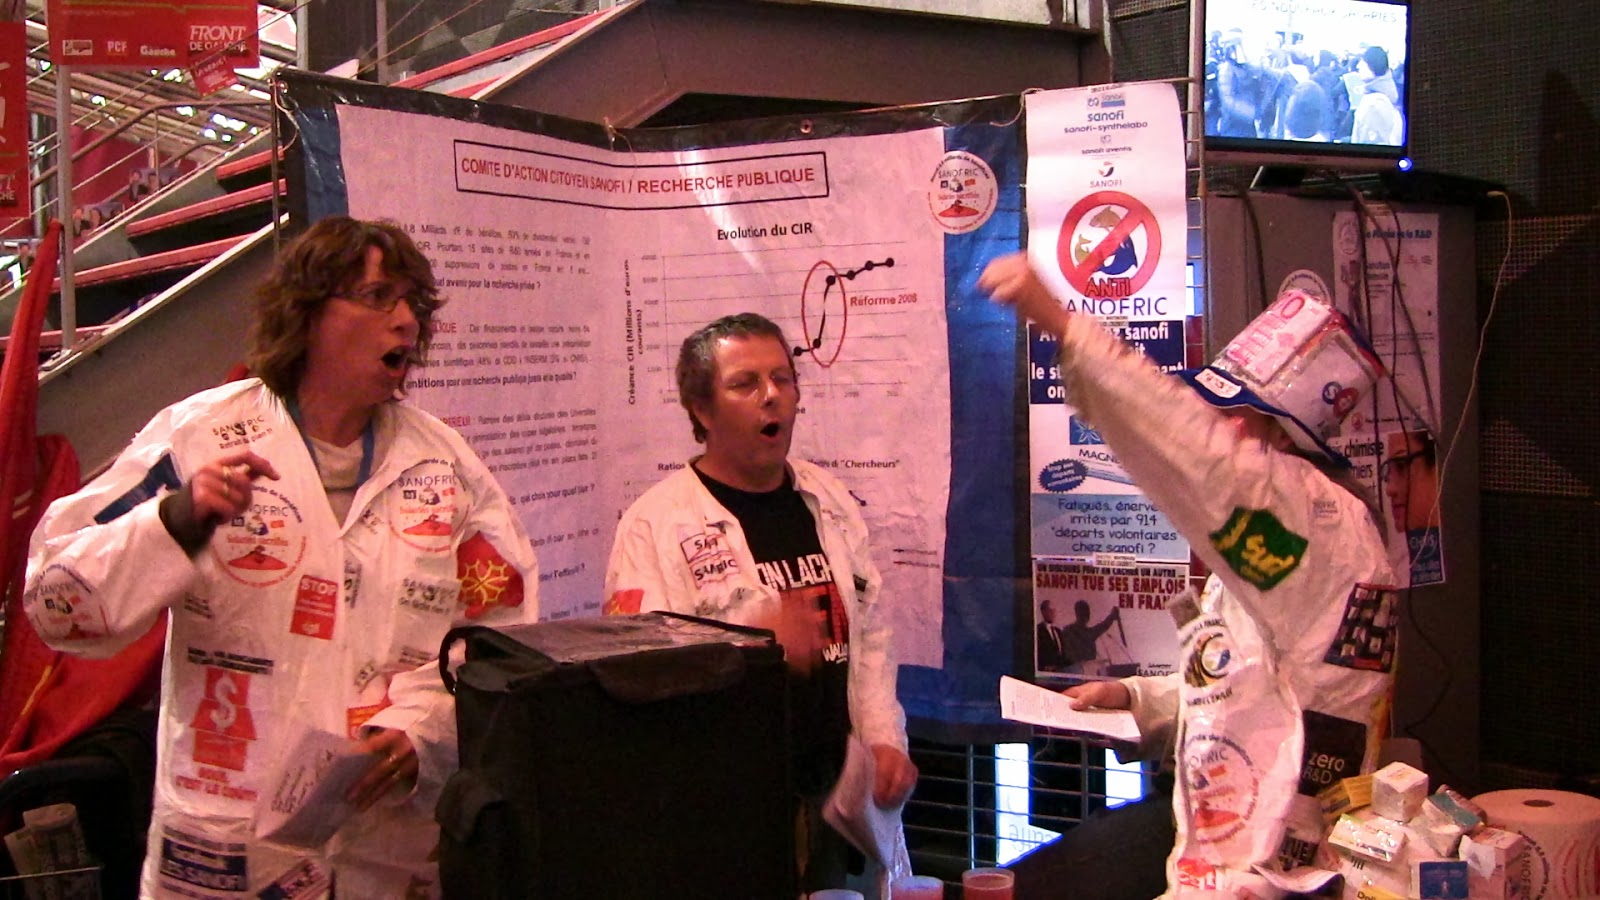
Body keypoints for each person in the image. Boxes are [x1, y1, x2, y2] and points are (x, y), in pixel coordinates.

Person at [24, 216, 540, 899]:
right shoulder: (201, 436)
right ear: (308, 313)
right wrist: (172, 522)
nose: (407, 321)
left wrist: (422, 728)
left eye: (414, 302)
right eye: (378, 296)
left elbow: (502, 632)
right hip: (226, 852)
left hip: (387, 848)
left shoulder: (445, 466)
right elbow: (57, 603)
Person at [981, 255, 1397, 898]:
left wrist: (1062, 324)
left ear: (1287, 436)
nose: (1221, 428)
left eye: (1237, 414)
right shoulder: (1297, 535)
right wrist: (1136, 699)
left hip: (1272, 852)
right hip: (1235, 816)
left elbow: (1193, 450)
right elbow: (1253, 688)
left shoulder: (1310, 522)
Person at [602, 312, 917, 892]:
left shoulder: (826, 498)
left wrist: (883, 739)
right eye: (745, 383)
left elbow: (871, 634)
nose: (771, 396)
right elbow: (636, 680)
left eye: (782, 379)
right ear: (702, 410)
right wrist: (753, 648)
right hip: (728, 816)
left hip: (837, 801)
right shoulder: (655, 524)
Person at [1058, 599, 1121, 672]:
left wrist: (1112, 616)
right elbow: (1067, 654)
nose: (1086, 615)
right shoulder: (1069, 631)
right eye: (1083, 612)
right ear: (1077, 613)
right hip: (1074, 672)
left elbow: (1103, 626)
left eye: (1087, 612)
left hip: (1089, 671)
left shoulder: (1088, 632)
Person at [1037, 599, 1068, 672]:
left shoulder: (1058, 631)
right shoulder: (1038, 630)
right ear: (1043, 612)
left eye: (1054, 610)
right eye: (1050, 610)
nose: (1053, 613)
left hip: (1061, 671)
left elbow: (1063, 653)